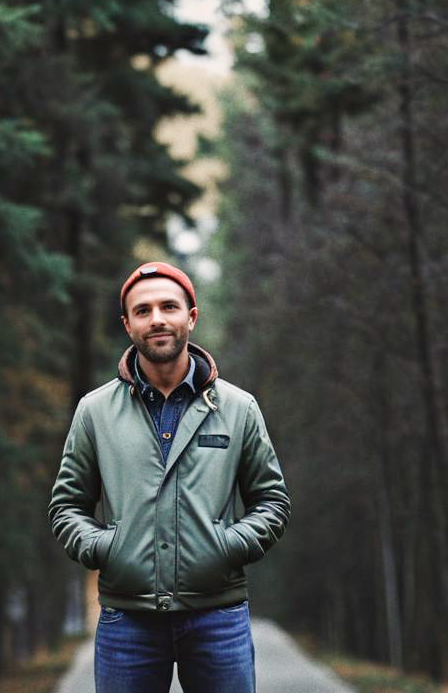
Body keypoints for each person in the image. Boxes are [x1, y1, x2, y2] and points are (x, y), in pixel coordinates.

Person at [48, 261, 291, 693]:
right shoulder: (95, 412)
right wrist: (106, 547)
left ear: (191, 317)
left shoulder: (238, 409)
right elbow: (67, 507)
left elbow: (272, 502)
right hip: (127, 621)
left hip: (219, 616)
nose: (157, 318)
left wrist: (225, 546)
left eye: (168, 307)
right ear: (127, 325)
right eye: (142, 311)